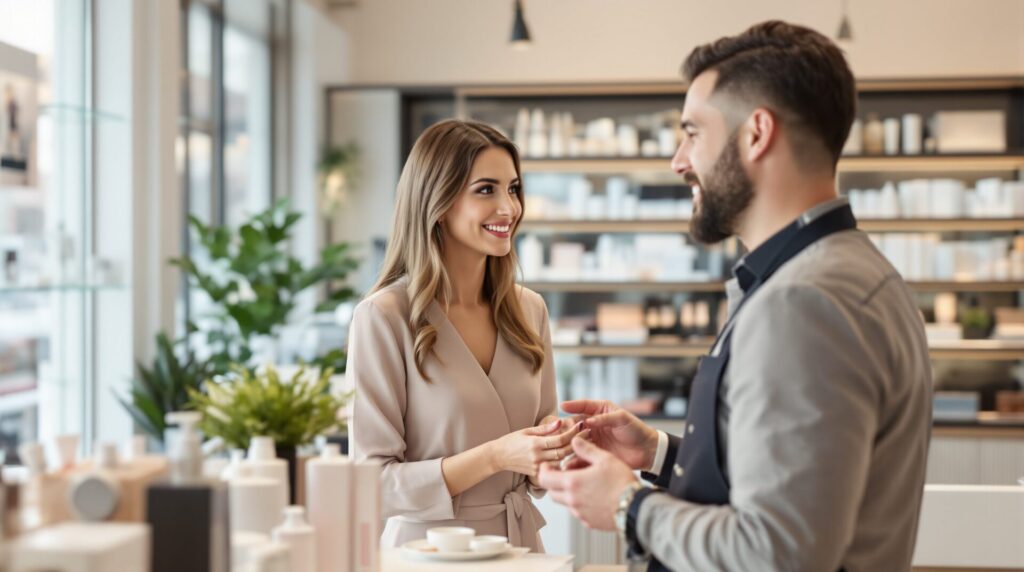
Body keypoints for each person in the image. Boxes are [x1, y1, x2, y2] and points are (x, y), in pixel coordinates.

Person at [538, 21, 932, 571]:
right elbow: (792, 489)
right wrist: (657, 453)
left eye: (693, 133)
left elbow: (777, 551)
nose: (678, 161)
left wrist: (628, 504)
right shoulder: (848, 272)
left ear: (756, 133)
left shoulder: (803, 302)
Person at [348, 119, 581, 552]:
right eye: (486, 190)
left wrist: (556, 444)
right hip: (429, 554)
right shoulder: (383, 317)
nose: (508, 208)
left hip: (521, 552)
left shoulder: (529, 310)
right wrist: (497, 456)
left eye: (513, 189)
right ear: (438, 202)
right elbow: (372, 484)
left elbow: (540, 439)